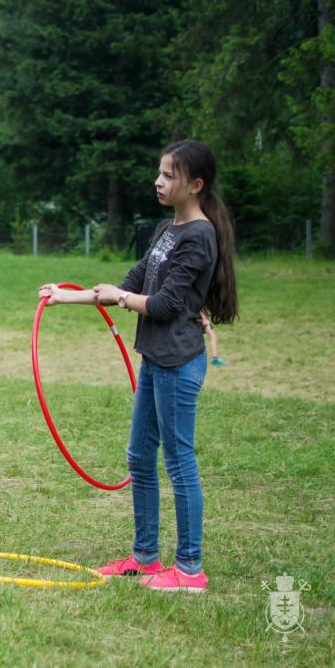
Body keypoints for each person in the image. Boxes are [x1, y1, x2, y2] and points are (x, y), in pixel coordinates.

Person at [39, 140, 237, 593]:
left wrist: (123, 298)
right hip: (154, 359)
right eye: (159, 173)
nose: (158, 181)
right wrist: (64, 296)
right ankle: (145, 557)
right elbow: (131, 282)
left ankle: (189, 569)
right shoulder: (168, 229)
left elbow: (163, 304)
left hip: (179, 364)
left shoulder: (199, 236)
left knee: (179, 462)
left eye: (169, 175)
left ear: (195, 185)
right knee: (139, 457)